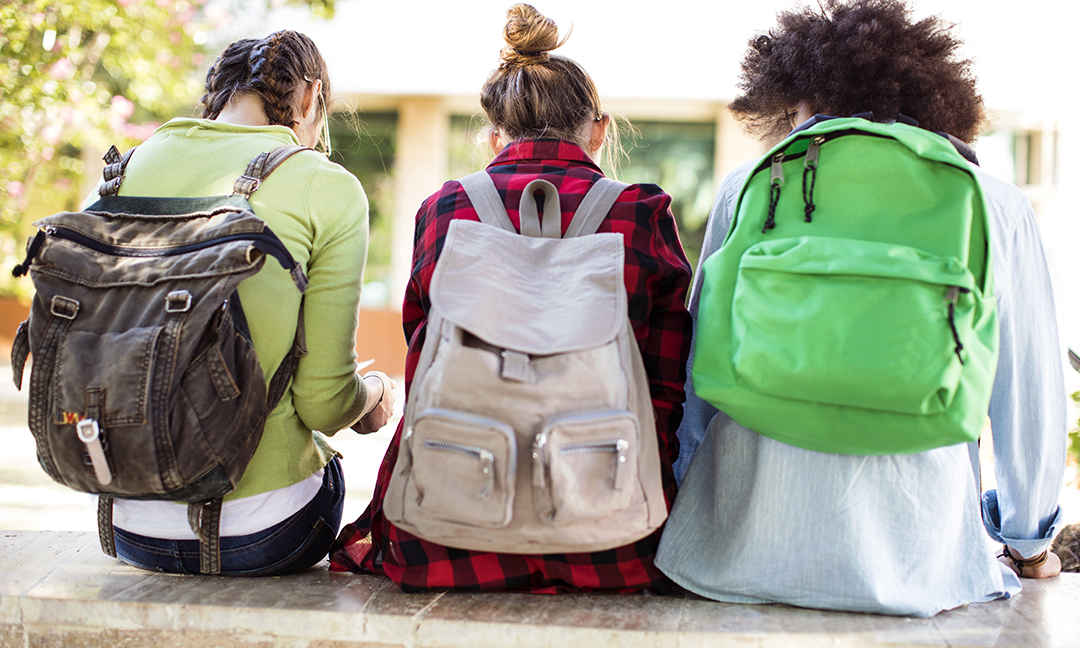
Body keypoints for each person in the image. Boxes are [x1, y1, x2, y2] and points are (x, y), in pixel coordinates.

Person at [656, 0, 1066, 617]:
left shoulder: (751, 184)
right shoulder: (993, 202)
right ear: (937, 99)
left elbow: (700, 370)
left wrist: (683, 498)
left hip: (732, 549)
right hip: (921, 564)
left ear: (802, 92)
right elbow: (1027, 390)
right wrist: (1028, 542)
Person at [330, 3, 693, 592]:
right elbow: (666, 392)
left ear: (494, 137)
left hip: (446, 530)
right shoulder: (640, 212)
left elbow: (423, 359)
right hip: (609, 536)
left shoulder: (446, 210)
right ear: (599, 129)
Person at [104, 30, 396, 576]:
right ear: (311, 99)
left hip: (125, 523)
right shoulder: (323, 185)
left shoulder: (125, 169)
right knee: (330, 469)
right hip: (258, 532)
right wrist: (377, 393)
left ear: (216, 97)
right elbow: (324, 406)